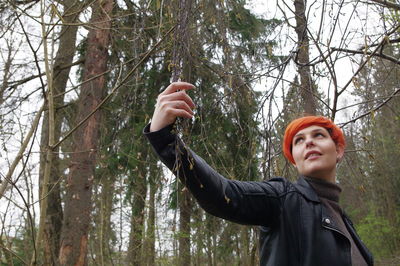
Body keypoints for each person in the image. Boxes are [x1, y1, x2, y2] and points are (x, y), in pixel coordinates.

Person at [144, 82, 373, 266]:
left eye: (319, 135)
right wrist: (163, 137)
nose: (309, 142)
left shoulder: (347, 224)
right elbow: (223, 194)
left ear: (339, 150)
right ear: (294, 160)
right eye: (299, 141)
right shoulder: (283, 198)